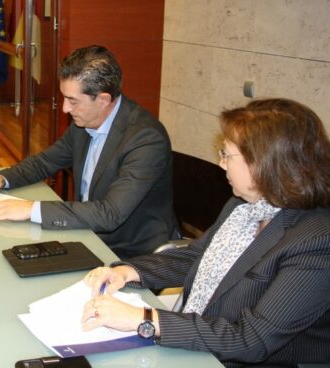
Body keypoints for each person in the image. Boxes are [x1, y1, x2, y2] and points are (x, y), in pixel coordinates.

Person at [81, 98, 330, 366]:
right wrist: (128, 271)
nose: (222, 164)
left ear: (265, 164)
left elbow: (252, 340)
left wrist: (143, 319)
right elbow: (197, 257)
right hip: (200, 340)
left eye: (227, 155)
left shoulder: (316, 241)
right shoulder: (244, 206)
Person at [0, 45, 178, 258]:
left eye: (73, 101)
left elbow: (110, 214)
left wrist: (30, 209)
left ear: (103, 100)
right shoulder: (85, 122)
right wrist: (2, 179)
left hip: (130, 253)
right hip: (85, 233)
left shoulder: (145, 139)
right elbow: (45, 162)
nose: (65, 108)